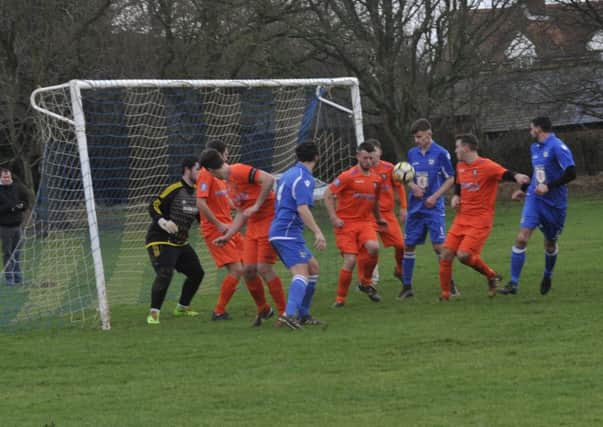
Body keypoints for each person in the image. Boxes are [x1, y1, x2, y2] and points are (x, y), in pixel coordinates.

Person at [439, 134, 530, 300]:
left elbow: (505, 173)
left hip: (480, 220)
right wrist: (456, 196)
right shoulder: (460, 165)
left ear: (466, 148)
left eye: (457, 146)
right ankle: (445, 296)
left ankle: (491, 275)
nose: (455, 150)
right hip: (462, 218)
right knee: (445, 254)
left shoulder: (487, 166)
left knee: (464, 255)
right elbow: (459, 182)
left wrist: (517, 177)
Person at [199, 149, 286, 321]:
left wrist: (257, 205)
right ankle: (263, 309)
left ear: (209, 170)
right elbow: (240, 213)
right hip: (253, 225)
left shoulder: (238, 170)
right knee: (248, 270)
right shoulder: (228, 183)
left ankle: (285, 313)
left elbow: (269, 179)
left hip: (269, 220)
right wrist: (228, 236)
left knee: (264, 268)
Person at [500, 117, 576, 296]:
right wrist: (524, 189)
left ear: (539, 129)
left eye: (531, 128)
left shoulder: (557, 146)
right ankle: (513, 283)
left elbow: (571, 172)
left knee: (550, 244)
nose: (530, 131)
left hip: (555, 204)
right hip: (535, 199)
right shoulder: (534, 148)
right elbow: (538, 173)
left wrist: (549, 186)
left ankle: (548, 275)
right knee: (522, 238)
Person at [269, 141, 327, 329]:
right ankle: (289, 315)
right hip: (287, 233)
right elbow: (302, 209)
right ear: (317, 156)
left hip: (284, 231)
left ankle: (303, 314)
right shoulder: (304, 178)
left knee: (313, 267)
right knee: (301, 273)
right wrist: (318, 232)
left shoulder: (288, 174)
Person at [323, 141, 385, 307]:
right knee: (350, 261)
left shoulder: (376, 179)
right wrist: (333, 217)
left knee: (374, 247)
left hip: (365, 222)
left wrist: (379, 218)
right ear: (358, 156)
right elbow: (327, 194)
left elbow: (375, 201)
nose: (368, 161)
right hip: (346, 225)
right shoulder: (347, 176)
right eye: (365, 158)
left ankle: (365, 282)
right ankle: (340, 299)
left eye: (371, 158)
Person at [400, 119, 456, 299]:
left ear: (428, 134)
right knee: (408, 245)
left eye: (419, 137)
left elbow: (450, 179)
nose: (416, 140)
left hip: (433, 207)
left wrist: (435, 196)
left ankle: (449, 285)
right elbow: (406, 176)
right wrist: (412, 186)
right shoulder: (412, 153)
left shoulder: (441, 153)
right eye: (415, 137)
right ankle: (407, 287)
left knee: (439, 246)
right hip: (415, 208)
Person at [145, 157, 205, 325]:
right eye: (198, 169)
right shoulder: (175, 188)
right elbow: (153, 205)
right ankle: (153, 314)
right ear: (187, 170)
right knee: (165, 273)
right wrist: (163, 221)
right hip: (160, 239)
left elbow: (201, 218)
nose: (201, 173)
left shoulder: (197, 193)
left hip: (180, 242)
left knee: (197, 273)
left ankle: (182, 307)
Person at [357, 139, 407, 288]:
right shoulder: (361, 170)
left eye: (375, 153)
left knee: (400, 245)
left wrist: (404, 207)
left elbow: (400, 187)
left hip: (387, 214)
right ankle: (365, 281)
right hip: (368, 216)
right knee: (368, 249)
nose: (372, 157)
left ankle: (399, 270)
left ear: (380, 152)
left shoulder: (390, 168)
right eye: (369, 154)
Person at [0, 168, 29, 286]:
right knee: (8, 253)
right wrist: (10, 207)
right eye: (4, 177)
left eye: (8, 177)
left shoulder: (18, 187)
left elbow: (26, 202)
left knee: (17, 253)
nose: (7, 179)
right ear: (1, 177)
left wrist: (21, 207)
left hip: (18, 226)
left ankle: (18, 278)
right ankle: (9, 280)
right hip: (4, 227)